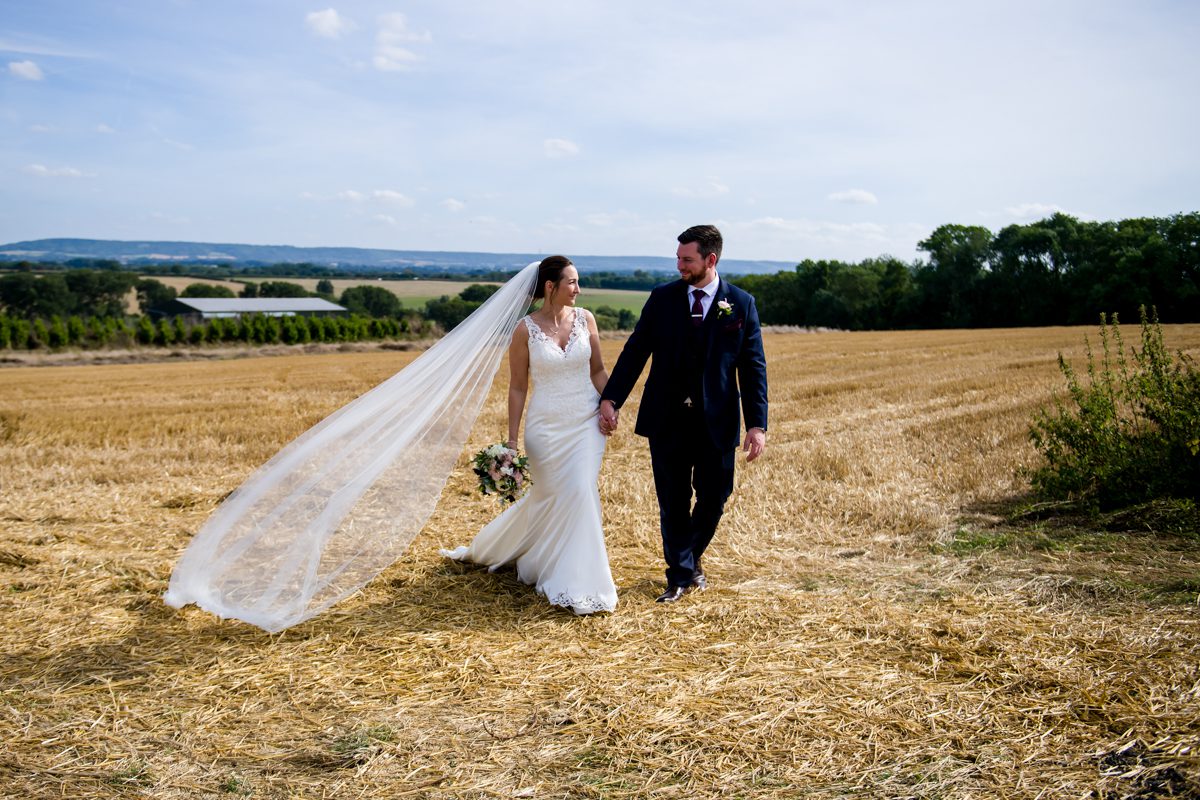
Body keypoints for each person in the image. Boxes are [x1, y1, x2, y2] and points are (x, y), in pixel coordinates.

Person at [599, 225, 768, 603]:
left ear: (711, 259)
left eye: (686, 259)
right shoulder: (661, 299)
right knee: (672, 501)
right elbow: (635, 351)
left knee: (714, 498)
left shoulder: (741, 304)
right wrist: (612, 398)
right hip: (667, 420)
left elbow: (753, 367)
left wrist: (757, 425)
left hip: (718, 422)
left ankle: (689, 561)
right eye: (677, 258)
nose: (679, 266)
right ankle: (679, 576)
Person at [441, 256, 618, 614]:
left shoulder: (587, 319)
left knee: (580, 491)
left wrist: (610, 403)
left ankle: (581, 582)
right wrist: (511, 440)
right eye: (572, 282)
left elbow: (598, 370)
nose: (578, 289)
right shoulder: (524, 330)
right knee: (550, 497)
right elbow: (518, 388)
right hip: (546, 430)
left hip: (585, 424)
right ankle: (524, 554)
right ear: (550, 286)